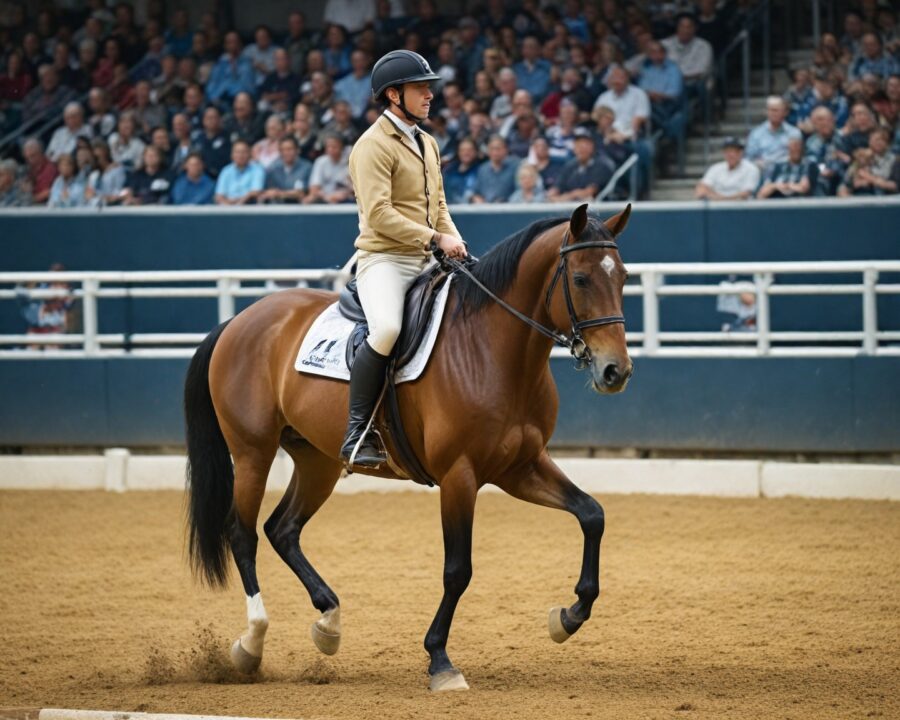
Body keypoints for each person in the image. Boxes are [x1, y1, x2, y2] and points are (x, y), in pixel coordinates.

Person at [341, 49, 466, 468]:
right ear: (394, 95)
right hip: (385, 260)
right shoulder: (371, 146)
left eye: (429, 88)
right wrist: (435, 238)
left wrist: (453, 239)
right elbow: (379, 214)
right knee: (388, 329)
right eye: (420, 88)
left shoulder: (427, 142)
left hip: (427, 257)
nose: (429, 95)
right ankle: (357, 432)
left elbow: (439, 204)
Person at [548, 128, 614, 202]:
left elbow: (589, 192)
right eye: (578, 144)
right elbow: (556, 188)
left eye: (585, 144)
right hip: (571, 205)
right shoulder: (570, 165)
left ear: (592, 146)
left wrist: (567, 196)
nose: (581, 148)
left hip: (599, 206)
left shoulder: (602, 165)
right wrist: (552, 195)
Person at [745, 96, 802, 171]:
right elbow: (749, 158)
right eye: (771, 110)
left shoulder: (794, 133)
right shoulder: (756, 133)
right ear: (766, 112)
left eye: (776, 110)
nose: (773, 113)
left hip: (786, 171)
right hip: (763, 171)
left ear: (785, 112)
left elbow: (796, 158)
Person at [695, 136, 760, 201]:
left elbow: (745, 194)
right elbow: (701, 189)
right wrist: (722, 199)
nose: (730, 154)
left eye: (734, 151)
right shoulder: (715, 168)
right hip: (716, 205)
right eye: (727, 151)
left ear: (740, 152)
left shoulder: (751, 169)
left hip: (742, 206)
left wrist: (716, 197)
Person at [260, 136, 312, 203]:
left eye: (289, 149)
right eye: (283, 150)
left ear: (298, 150)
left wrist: (279, 194)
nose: (286, 153)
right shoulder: (273, 168)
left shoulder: (307, 167)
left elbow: (301, 193)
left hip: (299, 206)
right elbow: (268, 191)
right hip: (277, 206)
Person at [304, 133, 352, 204]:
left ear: (342, 148)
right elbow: (314, 189)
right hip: (324, 199)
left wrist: (346, 193)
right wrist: (329, 197)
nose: (330, 149)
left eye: (334, 147)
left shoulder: (349, 161)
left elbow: (355, 189)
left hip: (346, 200)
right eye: (328, 147)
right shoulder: (320, 162)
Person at [471, 134, 519, 203]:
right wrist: (476, 198)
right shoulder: (483, 169)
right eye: (492, 149)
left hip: (508, 207)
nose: (495, 152)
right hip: (486, 207)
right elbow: (475, 191)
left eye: (498, 149)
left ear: (506, 150)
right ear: (488, 150)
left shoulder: (515, 166)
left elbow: (520, 191)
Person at [215, 139, 265, 204]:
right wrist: (227, 205)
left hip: (249, 205)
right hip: (227, 206)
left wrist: (239, 203)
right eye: (237, 152)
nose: (240, 155)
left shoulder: (257, 169)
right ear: (232, 154)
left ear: (250, 153)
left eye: (244, 152)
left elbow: (255, 192)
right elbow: (219, 195)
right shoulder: (226, 170)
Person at [22, 137, 58, 204]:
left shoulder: (50, 168)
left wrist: (32, 199)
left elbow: (48, 192)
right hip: (31, 202)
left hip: (45, 204)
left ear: (40, 153)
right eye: (27, 158)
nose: (30, 160)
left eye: (32, 156)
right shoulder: (30, 169)